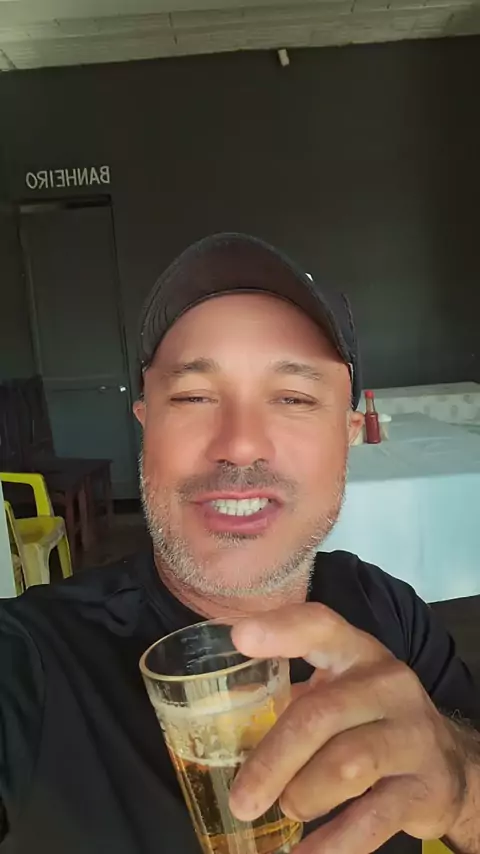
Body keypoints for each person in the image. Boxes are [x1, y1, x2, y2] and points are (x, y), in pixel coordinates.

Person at [1, 233, 479, 854]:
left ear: (350, 432)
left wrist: (460, 786)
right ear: (145, 423)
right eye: (194, 397)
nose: (241, 443)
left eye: (294, 398)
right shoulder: (31, 660)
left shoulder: (390, 611)